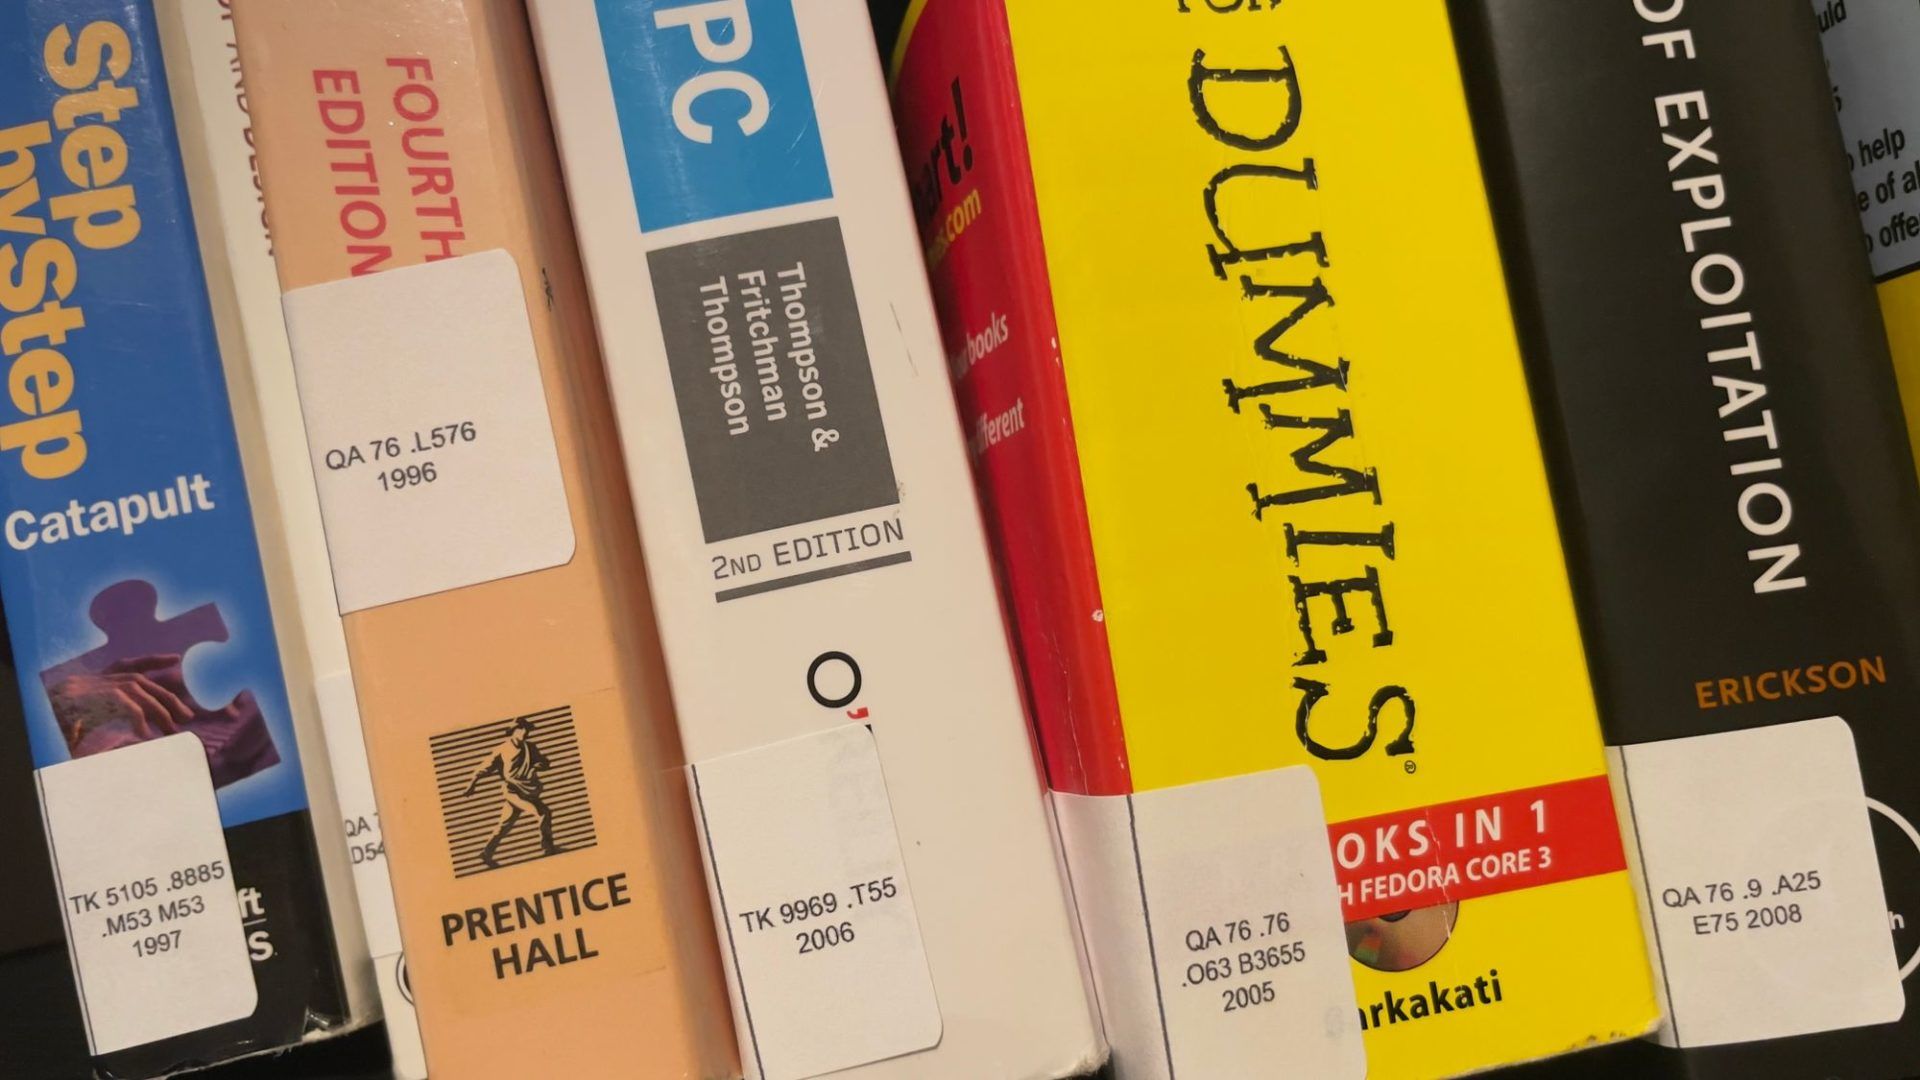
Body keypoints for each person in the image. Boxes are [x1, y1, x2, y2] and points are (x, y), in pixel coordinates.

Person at [463, 715, 561, 868]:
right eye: (521, 728)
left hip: (528, 792)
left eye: (526, 729)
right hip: (512, 792)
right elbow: (484, 768)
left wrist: (538, 766)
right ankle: (548, 850)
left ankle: (486, 853)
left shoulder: (531, 747)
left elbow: (545, 762)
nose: (525, 732)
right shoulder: (502, 749)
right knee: (543, 813)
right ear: (513, 731)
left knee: (504, 826)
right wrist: (472, 784)